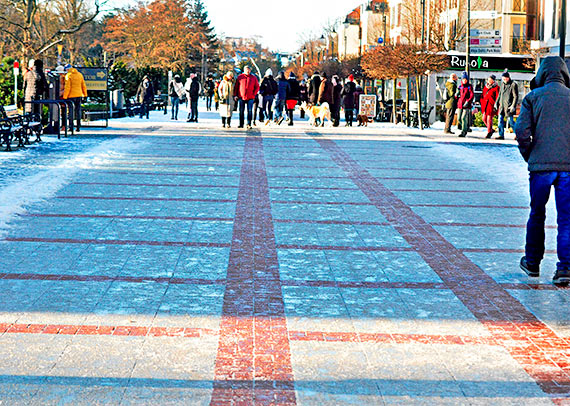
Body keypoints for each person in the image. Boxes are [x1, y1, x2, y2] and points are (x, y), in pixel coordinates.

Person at [515, 56, 570, 286]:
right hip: (568, 169)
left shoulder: (533, 98)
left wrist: (531, 155)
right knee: (567, 218)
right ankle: (565, 267)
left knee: (537, 213)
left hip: (540, 169)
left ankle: (533, 262)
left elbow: (521, 132)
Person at [495, 70, 519, 140]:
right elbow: (500, 94)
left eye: (506, 78)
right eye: (503, 78)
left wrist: (513, 105)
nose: (504, 80)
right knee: (500, 121)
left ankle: (518, 134)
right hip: (502, 106)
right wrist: (496, 103)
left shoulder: (513, 84)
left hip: (509, 106)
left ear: (508, 78)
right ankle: (501, 134)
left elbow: (515, 96)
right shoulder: (502, 84)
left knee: (511, 122)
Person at [63, 64, 88, 131]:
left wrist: (65, 97)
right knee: (78, 111)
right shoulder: (80, 75)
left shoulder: (68, 76)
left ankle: (71, 127)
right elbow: (83, 86)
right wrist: (85, 95)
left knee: (71, 112)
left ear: (67, 69)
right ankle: (78, 126)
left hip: (71, 96)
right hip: (79, 95)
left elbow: (67, 87)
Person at [480, 74, 499, 138]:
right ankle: (490, 129)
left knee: (489, 119)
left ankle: (489, 132)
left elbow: (497, 97)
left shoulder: (496, 87)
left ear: (493, 81)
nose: (489, 81)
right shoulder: (486, 87)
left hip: (491, 105)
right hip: (485, 104)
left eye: (491, 80)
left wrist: (496, 105)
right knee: (484, 118)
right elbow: (483, 95)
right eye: (488, 79)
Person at [457, 72, 474, 138]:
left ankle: (463, 131)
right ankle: (466, 127)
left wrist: (468, 101)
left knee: (463, 117)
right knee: (459, 119)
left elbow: (472, 95)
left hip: (466, 105)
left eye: (466, 79)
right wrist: (457, 94)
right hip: (460, 104)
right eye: (463, 79)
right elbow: (458, 96)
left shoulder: (469, 87)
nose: (464, 81)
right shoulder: (460, 87)